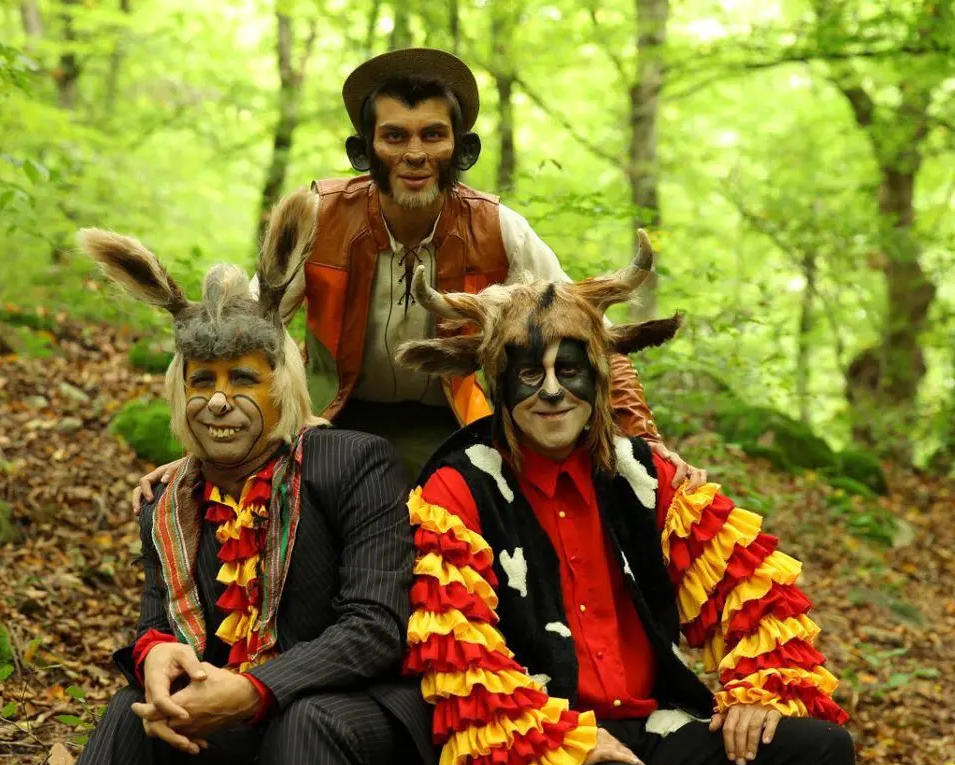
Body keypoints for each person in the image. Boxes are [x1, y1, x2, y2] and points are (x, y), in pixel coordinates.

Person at [395, 232, 857, 765]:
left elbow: (752, 588)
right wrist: (557, 737)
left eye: (569, 371)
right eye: (530, 375)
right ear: (500, 381)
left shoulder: (642, 474)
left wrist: (760, 689)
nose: (552, 393)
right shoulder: (458, 487)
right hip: (543, 747)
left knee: (821, 750)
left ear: (597, 376)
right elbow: (457, 648)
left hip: (656, 725)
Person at [133, 47, 703, 504]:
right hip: (328, 419)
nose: (414, 153)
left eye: (432, 135)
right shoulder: (321, 218)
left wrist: (643, 440)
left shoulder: (497, 227)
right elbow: (243, 334)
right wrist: (199, 451)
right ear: (365, 151)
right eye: (395, 136)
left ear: (461, 149)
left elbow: (589, 332)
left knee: (480, 518)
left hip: (457, 422)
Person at [63, 197, 443, 765]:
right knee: (129, 713)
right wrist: (154, 656)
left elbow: (376, 628)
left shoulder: (354, 462)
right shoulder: (168, 503)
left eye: (243, 379)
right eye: (202, 382)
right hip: (228, 720)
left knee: (304, 721)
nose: (218, 401)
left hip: (346, 717)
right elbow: (155, 622)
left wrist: (253, 690)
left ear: (281, 386)